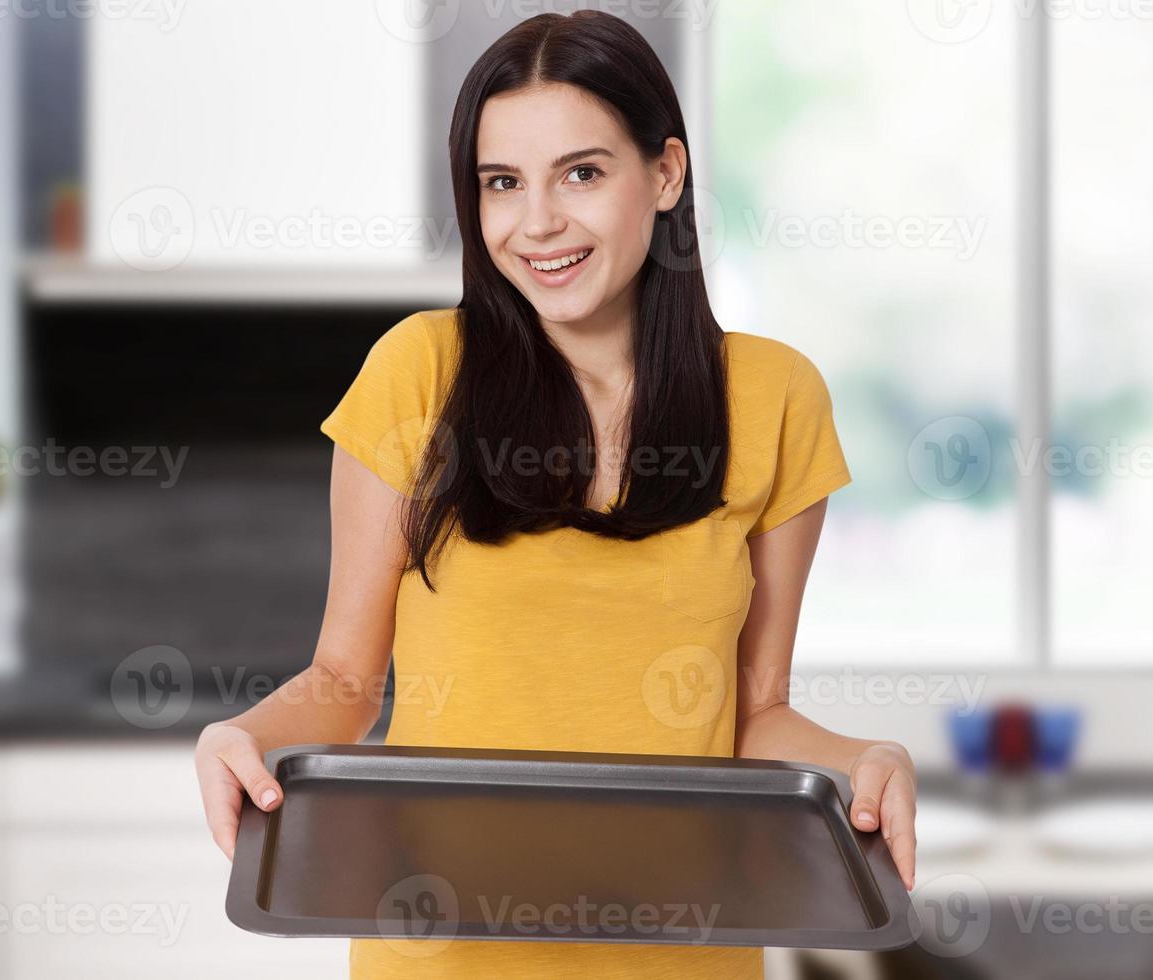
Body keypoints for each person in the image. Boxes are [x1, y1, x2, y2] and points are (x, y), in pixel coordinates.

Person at [194, 10, 916, 978]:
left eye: (580, 172)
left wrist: (857, 756)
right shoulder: (418, 372)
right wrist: (242, 733)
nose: (535, 222)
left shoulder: (774, 397)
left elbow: (750, 714)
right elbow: (343, 679)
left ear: (664, 174)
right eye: (501, 183)